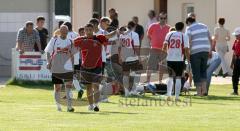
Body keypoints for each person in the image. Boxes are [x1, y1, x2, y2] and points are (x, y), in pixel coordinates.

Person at [74, 23, 109, 112]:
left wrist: (116, 32)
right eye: (87, 30)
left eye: (90, 30)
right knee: (88, 87)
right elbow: (71, 42)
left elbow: (108, 37)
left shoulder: (99, 38)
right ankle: (91, 105)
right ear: (84, 31)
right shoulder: (81, 40)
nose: (88, 32)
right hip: (85, 66)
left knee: (96, 86)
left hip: (97, 66)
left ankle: (96, 105)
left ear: (93, 30)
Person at [45, 25, 75, 112]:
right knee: (57, 87)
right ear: (60, 31)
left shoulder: (70, 41)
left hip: (67, 67)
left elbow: (72, 55)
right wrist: (48, 62)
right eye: (62, 31)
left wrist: (73, 67)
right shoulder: (54, 40)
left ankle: (69, 106)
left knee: (68, 86)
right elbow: (48, 51)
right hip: (56, 66)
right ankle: (58, 106)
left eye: (66, 31)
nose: (64, 33)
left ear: (68, 32)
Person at [185, 15, 212, 96]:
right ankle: (204, 91)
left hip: (195, 51)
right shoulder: (204, 26)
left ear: (188, 22)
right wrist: (210, 50)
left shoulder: (189, 28)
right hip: (205, 50)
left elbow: (188, 42)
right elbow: (210, 38)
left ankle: (199, 92)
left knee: (196, 71)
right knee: (203, 70)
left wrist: (188, 53)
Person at [163, 22, 190, 101]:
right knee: (178, 77)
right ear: (182, 28)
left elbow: (164, 46)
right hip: (179, 59)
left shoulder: (169, 34)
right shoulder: (184, 35)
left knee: (170, 77)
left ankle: (168, 95)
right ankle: (177, 97)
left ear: (175, 26)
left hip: (169, 58)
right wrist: (188, 59)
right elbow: (186, 49)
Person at [146, 12, 170, 84]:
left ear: (166, 19)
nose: (163, 20)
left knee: (162, 66)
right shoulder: (153, 26)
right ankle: (148, 81)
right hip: (154, 48)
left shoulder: (169, 28)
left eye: (164, 18)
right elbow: (148, 35)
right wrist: (152, 42)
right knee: (150, 65)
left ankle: (160, 81)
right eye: (161, 18)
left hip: (164, 49)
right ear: (158, 18)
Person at [119, 21, 141, 97]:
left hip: (124, 56)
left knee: (125, 74)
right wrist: (139, 57)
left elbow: (120, 47)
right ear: (134, 27)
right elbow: (136, 47)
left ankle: (126, 92)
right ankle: (134, 90)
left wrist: (120, 56)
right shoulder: (135, 34)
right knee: (136, 73)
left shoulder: (122, 35)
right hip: (132, 56)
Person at [63, 22, 84, 99]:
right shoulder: (76, 35)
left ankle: (75, 91)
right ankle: (70, 93)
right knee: (72, 76)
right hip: (76, 58)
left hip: (69, 58)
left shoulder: (66, 35)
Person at [230, 27, 240, 95]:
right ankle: (235, 91)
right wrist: (232, 63)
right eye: (235, 35)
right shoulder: (236, 41)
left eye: (237, 35)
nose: (235, 36)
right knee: (235, 76)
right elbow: (234, 52)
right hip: (237, 60)